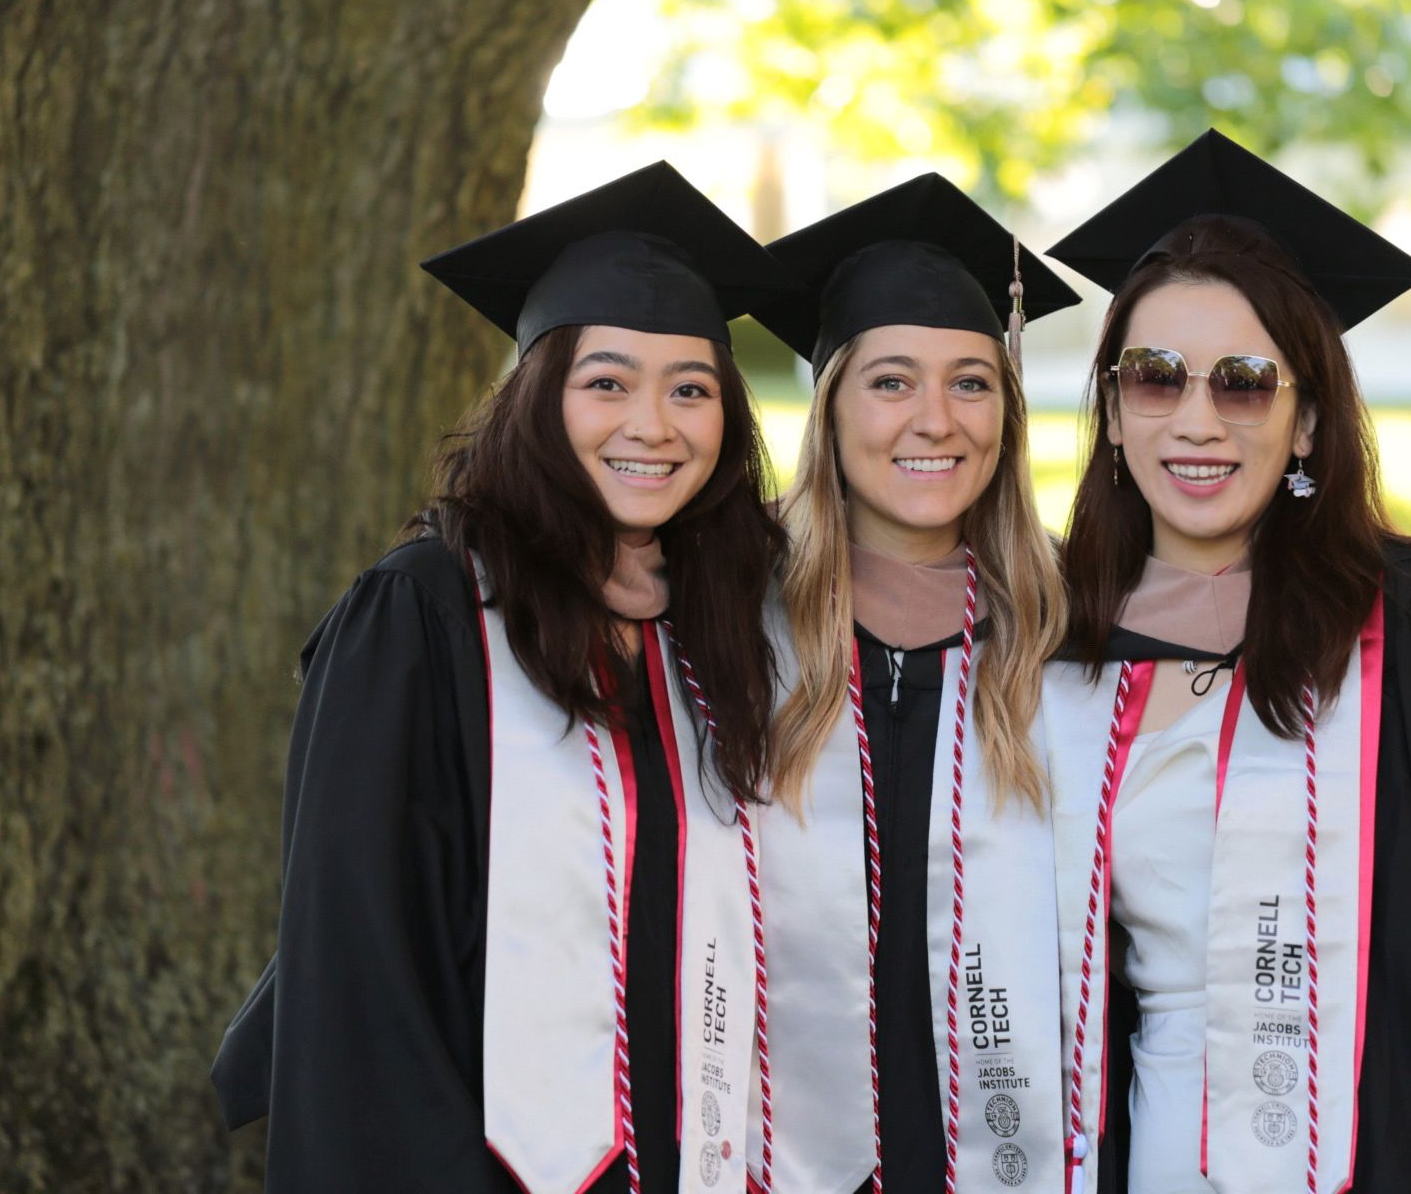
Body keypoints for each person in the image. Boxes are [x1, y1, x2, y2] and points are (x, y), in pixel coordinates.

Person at [210, 162, 794, 1193]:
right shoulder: (426, 612)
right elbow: (359, 959)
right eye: (606, 381)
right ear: (535, 394)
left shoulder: (725, 623)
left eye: (690, 389)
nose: (652, 425)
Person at [1041, 130, 1411, 1193]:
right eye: (1156, 377)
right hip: (1148, 1152)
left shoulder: (1398, 619)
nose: (1195, 418)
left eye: (1245, 383)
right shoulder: (1057, 636)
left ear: (1305, 421)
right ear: (1112, 411)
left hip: (1379, 1144)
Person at [746, 175, 1078, 1193]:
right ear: (831, 404)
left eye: (972, 382)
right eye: (891, 381)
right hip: (772, 1138)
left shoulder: (1073, 629)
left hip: (1009, 1139)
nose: (937, 419)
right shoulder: (727, 623)